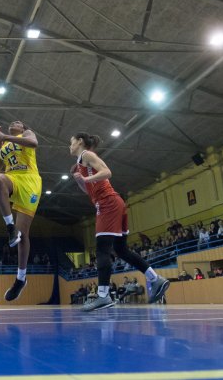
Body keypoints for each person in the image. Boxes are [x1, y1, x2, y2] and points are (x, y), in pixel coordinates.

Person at [69, 132, 169, 311]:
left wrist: (85, 178)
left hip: (108, 204)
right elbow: (89, 190)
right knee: (121, 250)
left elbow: (107, 172)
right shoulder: (81, 163)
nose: (69, 146)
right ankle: (156, 279)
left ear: (80, 142)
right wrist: (80, 181)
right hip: (114, 203)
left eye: (71, 142)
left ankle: (102, 296)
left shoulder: (87, 155)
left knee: (102, 250)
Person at [0, 120, 42, 302]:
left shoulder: (26, 134)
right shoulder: (3, 146)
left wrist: (4, 137)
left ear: (23, 128)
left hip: (30, 181)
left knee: (24, 235)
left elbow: (34, 143)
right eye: (12, 122)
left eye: (18, 122)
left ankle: (20, 278)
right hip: (13, 178)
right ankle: (10, 227)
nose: (13, 122)